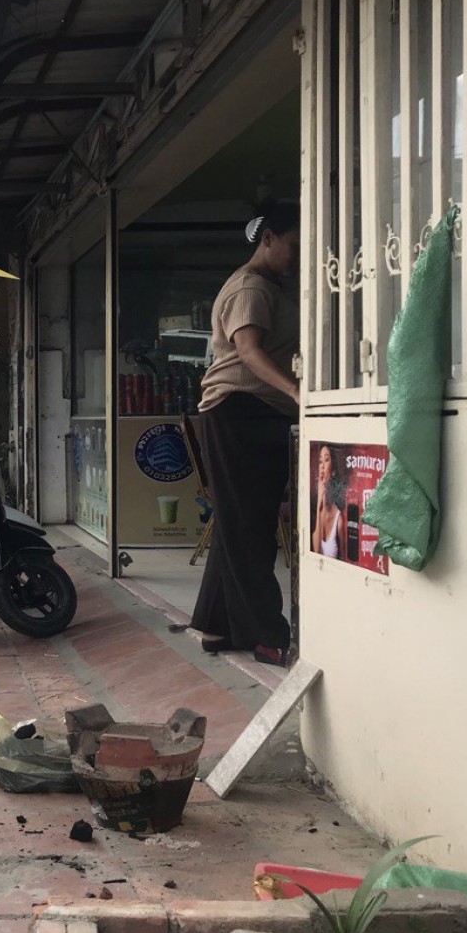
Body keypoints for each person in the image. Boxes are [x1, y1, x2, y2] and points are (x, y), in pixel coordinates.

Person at [190, 203, 301, 666]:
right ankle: (266, 635)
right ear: (268, 238)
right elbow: (250, 352)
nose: (297, 256)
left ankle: (216, 626)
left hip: (250, 412)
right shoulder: (250, 287)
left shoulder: (269, 286)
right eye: (293, 245)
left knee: (239, 524)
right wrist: (296, 391)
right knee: (250, 530)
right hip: (241, 411)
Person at [312, 444, 344, 559]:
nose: (322, 466)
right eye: (320, 462)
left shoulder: (338, 518)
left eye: (326, 460)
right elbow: (316, 552)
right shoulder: (312, 509)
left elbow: (343, 558)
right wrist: (318, 505)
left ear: (333, 470)